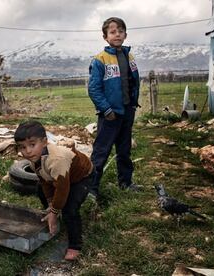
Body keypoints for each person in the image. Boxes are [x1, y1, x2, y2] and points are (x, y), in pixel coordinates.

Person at [14, 121, 94, 261]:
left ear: (44, 142)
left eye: (32, 144)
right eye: (22, 147)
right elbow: (45, 181)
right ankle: (52, 215)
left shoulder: (57, 160)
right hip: (60, 178)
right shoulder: (34, 159)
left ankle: (75, 245)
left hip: (81, 177)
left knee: (70, 208)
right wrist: (51, 203)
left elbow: (63, 189)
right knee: (40, 190)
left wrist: (56, 209)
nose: (27, 151)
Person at [88, 17, 141, 198]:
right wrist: (106, 110)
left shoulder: (129, 56)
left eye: (120, 31)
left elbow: (132, 83)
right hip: (110, 115)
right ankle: (91, 189)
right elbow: (94, 89)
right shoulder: (100, 60)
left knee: (124, 151)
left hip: (127, 112)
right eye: (112, 32)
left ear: (125, 34)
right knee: (101, 152)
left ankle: (125, 183)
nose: (117, 34)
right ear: (105, 37)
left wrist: (132, 106)